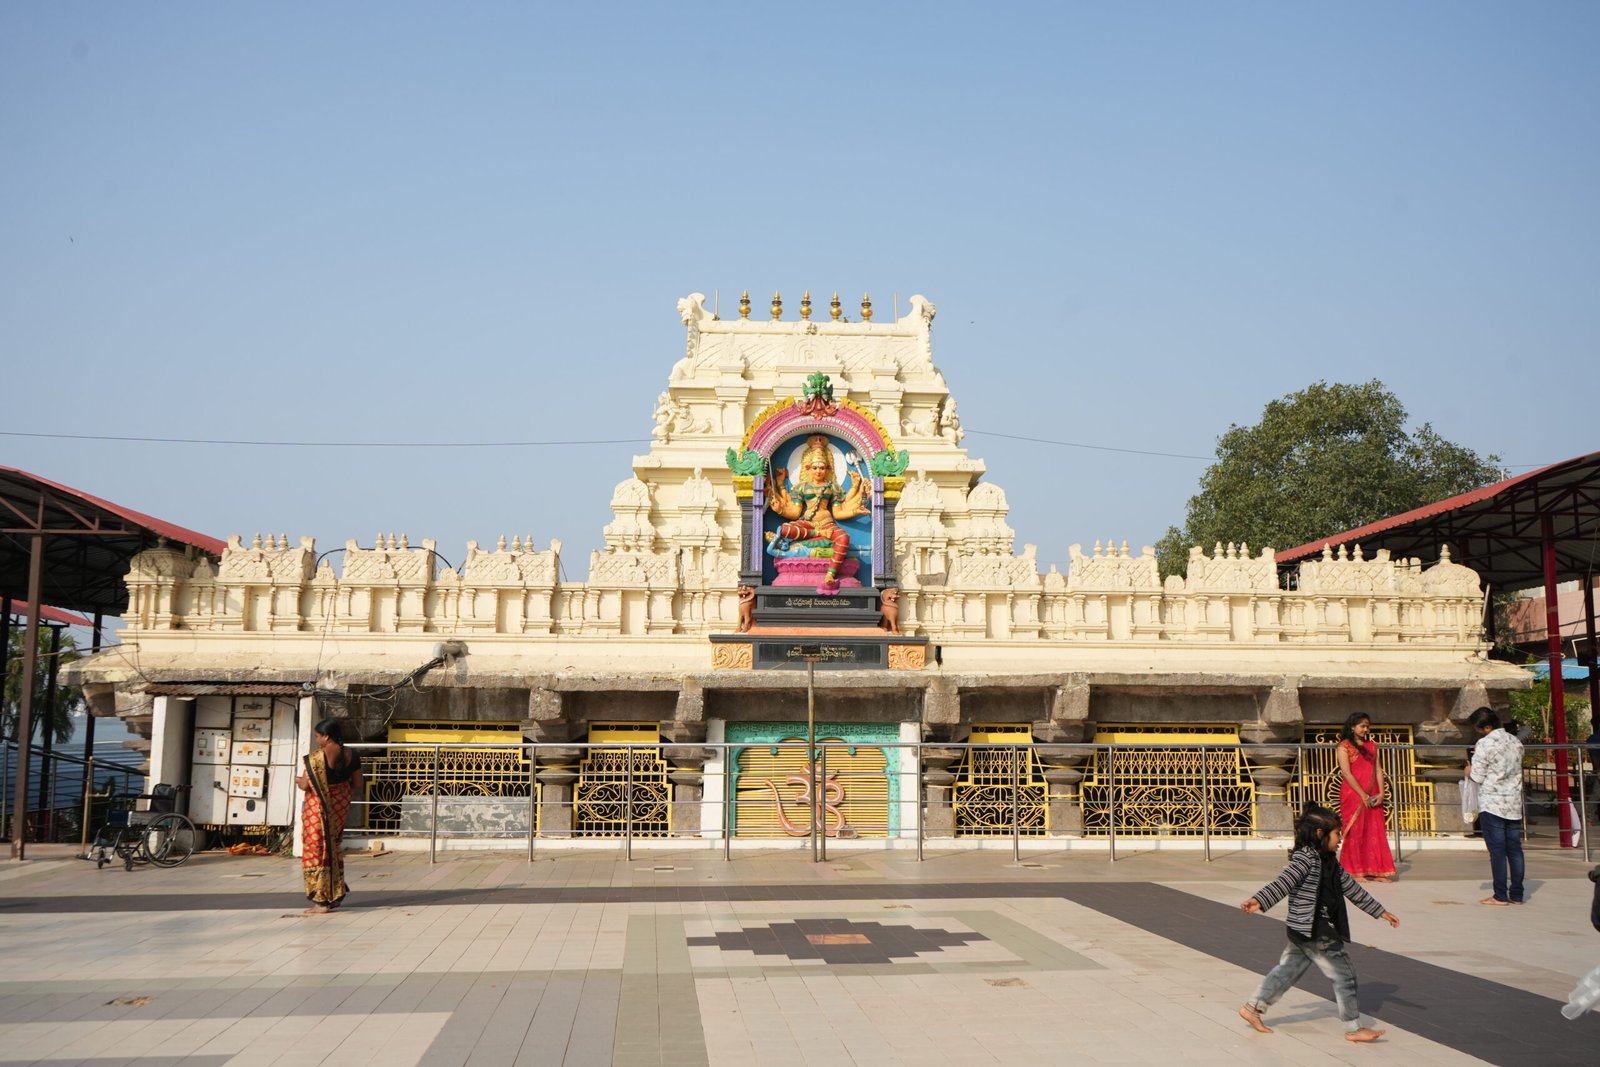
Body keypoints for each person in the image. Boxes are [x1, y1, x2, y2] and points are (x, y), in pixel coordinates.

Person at [1238, 804, 1399, 1043]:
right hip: (1315, 928)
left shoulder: (1329, 861)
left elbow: (1352, 889)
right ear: (1320, 835)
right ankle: (1354, 1028)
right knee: (1345, 974)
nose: (1340, 840)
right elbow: (1284, 881)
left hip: (1301, 930)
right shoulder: (1306, 859)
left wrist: (1379, 911)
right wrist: (1260, 900)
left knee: (1287, 971)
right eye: (1336, 834)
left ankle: (1252, 1008)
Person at [767, 434, 868, 590]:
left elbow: (838, 513)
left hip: (827, 523)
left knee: (844, 538)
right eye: (815, 467)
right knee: (785, 529)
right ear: (808, 468)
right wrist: (779, 508)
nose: (818, 471)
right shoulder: (801, 487)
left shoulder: (832, 487)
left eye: (822, 467)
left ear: (827, 469)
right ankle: (817, 535)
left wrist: (856, 510)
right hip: (808, 524)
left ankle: (830, 575)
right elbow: (795, 513)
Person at [295, 718, 363, 914]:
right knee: (333, 849)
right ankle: (334, 895)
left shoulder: (315, 759)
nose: (316, 740)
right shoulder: (352, 754)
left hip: (318, 811)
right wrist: (339, 790)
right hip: (339, 809)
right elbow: (358, 784)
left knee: (317, 852)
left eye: (318, 736)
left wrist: (298, 780)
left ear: (327, 736)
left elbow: (307, 785)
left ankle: (321, 901)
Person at [1467, 706, 1525, 906]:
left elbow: (1477, 776)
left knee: (1497, 851)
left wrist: (1468, 770)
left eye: (1477, 727)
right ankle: (1517, 894)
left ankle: (1500, 894)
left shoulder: (1484, 744)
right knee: (1515, 850)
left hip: (1492, 803)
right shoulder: (1515, 741)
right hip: (1514, 802)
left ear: (1486, 727)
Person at [1335, 712, 1396, 881]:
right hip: (1353, 793)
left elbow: (1378, 770)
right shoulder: (1344, 746)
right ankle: (1354, 871)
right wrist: (1362, 794)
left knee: (1374, 830)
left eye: (1367, 726)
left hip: (1373, 792)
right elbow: (1346, 773)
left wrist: (1382, 792)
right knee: (1356, 830)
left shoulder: (1372, 746)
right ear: (1352, 727)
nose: (1365, 729)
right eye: (1362, 726)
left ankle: (1377, 870)